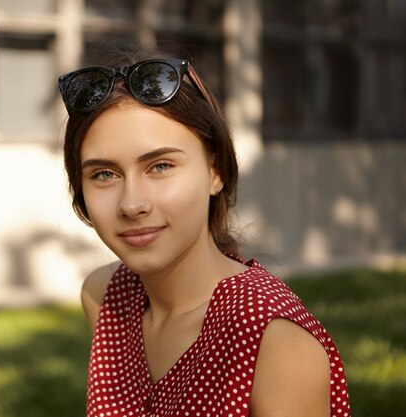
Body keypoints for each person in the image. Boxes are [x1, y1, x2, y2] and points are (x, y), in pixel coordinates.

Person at [58, 53, 350, 417]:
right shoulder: (106, 298)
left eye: (160, 166)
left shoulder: (272, 338)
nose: (131, 204)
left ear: (215, 171)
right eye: (103, 174)